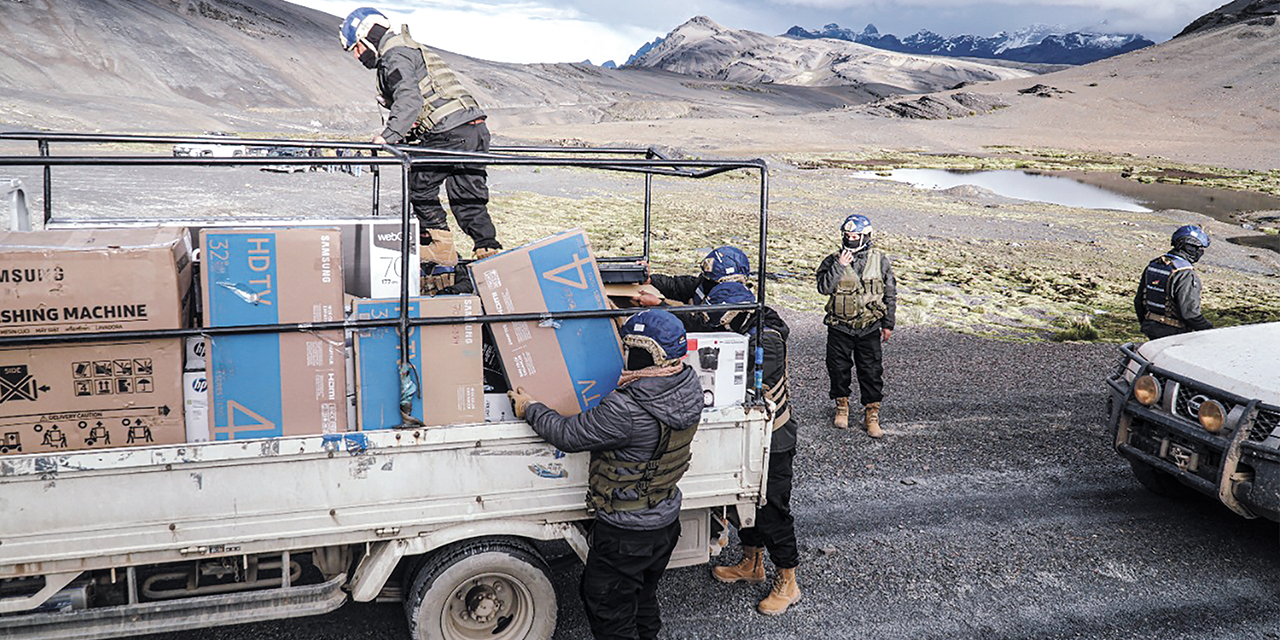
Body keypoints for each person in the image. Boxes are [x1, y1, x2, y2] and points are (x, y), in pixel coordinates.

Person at [507, 309, 703, 640]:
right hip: (665, 521)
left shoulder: (626, 408)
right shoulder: (687, 385)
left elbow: (568, 434)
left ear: (644, 353)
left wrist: (531, 408)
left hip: (626, 532)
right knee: (642, 597)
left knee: (610, 610)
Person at [339, 7, 502, 279]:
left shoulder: (395, 55)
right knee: (468, 197)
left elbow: (409, 100)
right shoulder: (409, 48)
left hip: (449, 131)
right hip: (472, 128)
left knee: (420, 186)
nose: (357, 56)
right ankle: (489, 252)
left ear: (367, 38)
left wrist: (387, 136)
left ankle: (442, 248)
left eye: (355, 48)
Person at [700, 281, 802, 616]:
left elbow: (752, 387)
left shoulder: (766, 339)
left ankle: (788, 581)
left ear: (735, 311)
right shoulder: (746, 326)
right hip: (751, 435)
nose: (715, 321)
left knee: (772, 510)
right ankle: (751, 562)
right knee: (744, 502)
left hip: (772, 439)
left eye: (719, 316)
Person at [816, 214, 896, 438]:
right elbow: (823, 288)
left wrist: (888, 323)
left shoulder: (880, 260)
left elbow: (890, 292)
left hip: (869, 327)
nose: (851, 239)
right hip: (839, 327)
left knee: (871, 372)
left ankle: (872, 414)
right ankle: (841, 407)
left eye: (855, 236)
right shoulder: (832, 260)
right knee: (838, 369)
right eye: (848, 235)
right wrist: (839, 266)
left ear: (866, 236)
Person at [1135, 224, 1214, 340]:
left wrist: (1146, 323)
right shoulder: (1185, 274)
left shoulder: (1154, 265)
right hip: (1175, 334)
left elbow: (1139, 301)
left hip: (1151, 329)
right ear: (1189, 247)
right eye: (1200, 248)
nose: (1201, 252)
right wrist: (1211, 331)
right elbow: (1190, 314)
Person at [636, 246, 751, 314]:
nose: (706, 279)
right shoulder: (705, 284)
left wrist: (659, 304)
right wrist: (650, 281)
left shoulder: (729, 306)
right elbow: (676, 286)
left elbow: (698, 325)